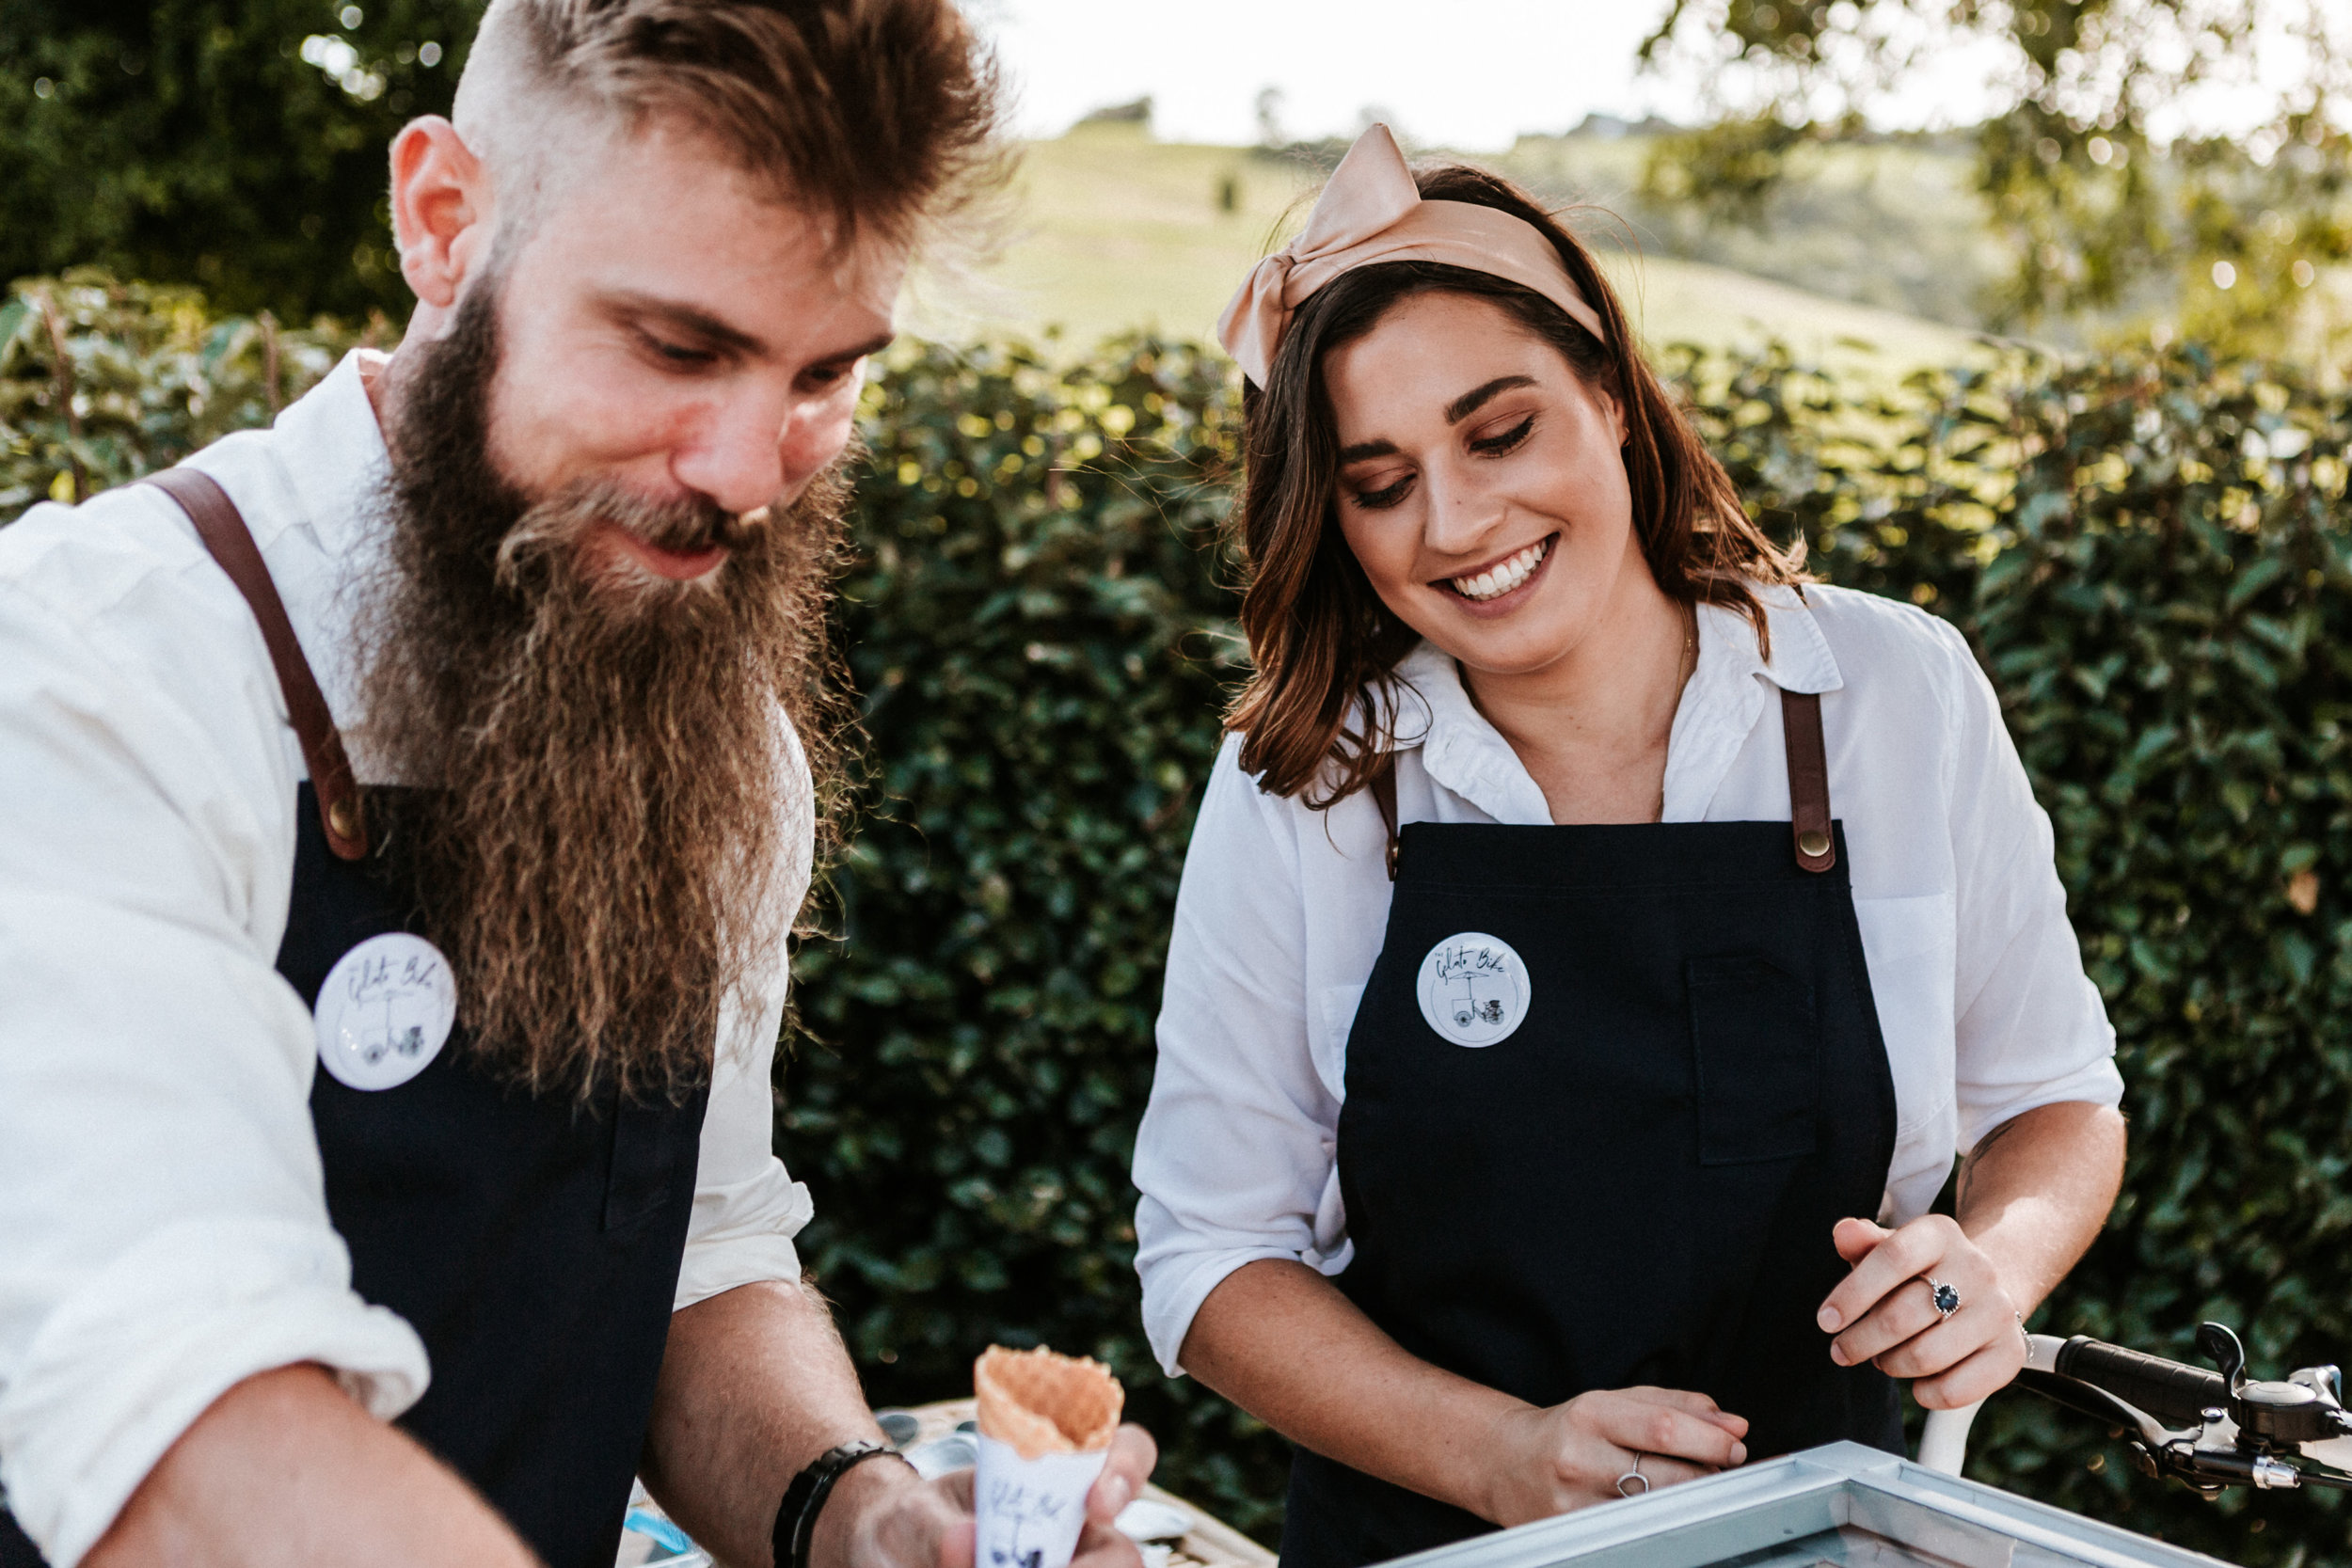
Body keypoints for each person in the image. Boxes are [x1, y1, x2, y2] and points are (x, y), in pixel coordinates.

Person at [0, 5, 1155, 1566]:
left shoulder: (722, 741)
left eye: (827, 373)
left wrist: (856, 1512)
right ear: (442, 222)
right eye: (680, 348)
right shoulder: (87, 669)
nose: (750, 472)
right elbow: (184, 1426)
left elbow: (693, 1255)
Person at [1129, 126, 2126, 1568]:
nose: (1458, 523)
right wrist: (1504, 1456)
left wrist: (1999, 1259)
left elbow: (2056, 1098)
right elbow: (1211, 1262)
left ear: (1608, 390)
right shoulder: (1311, 777)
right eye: (1380, 479)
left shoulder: (1890, 694)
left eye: (1500, 429)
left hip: (1821, 1539)